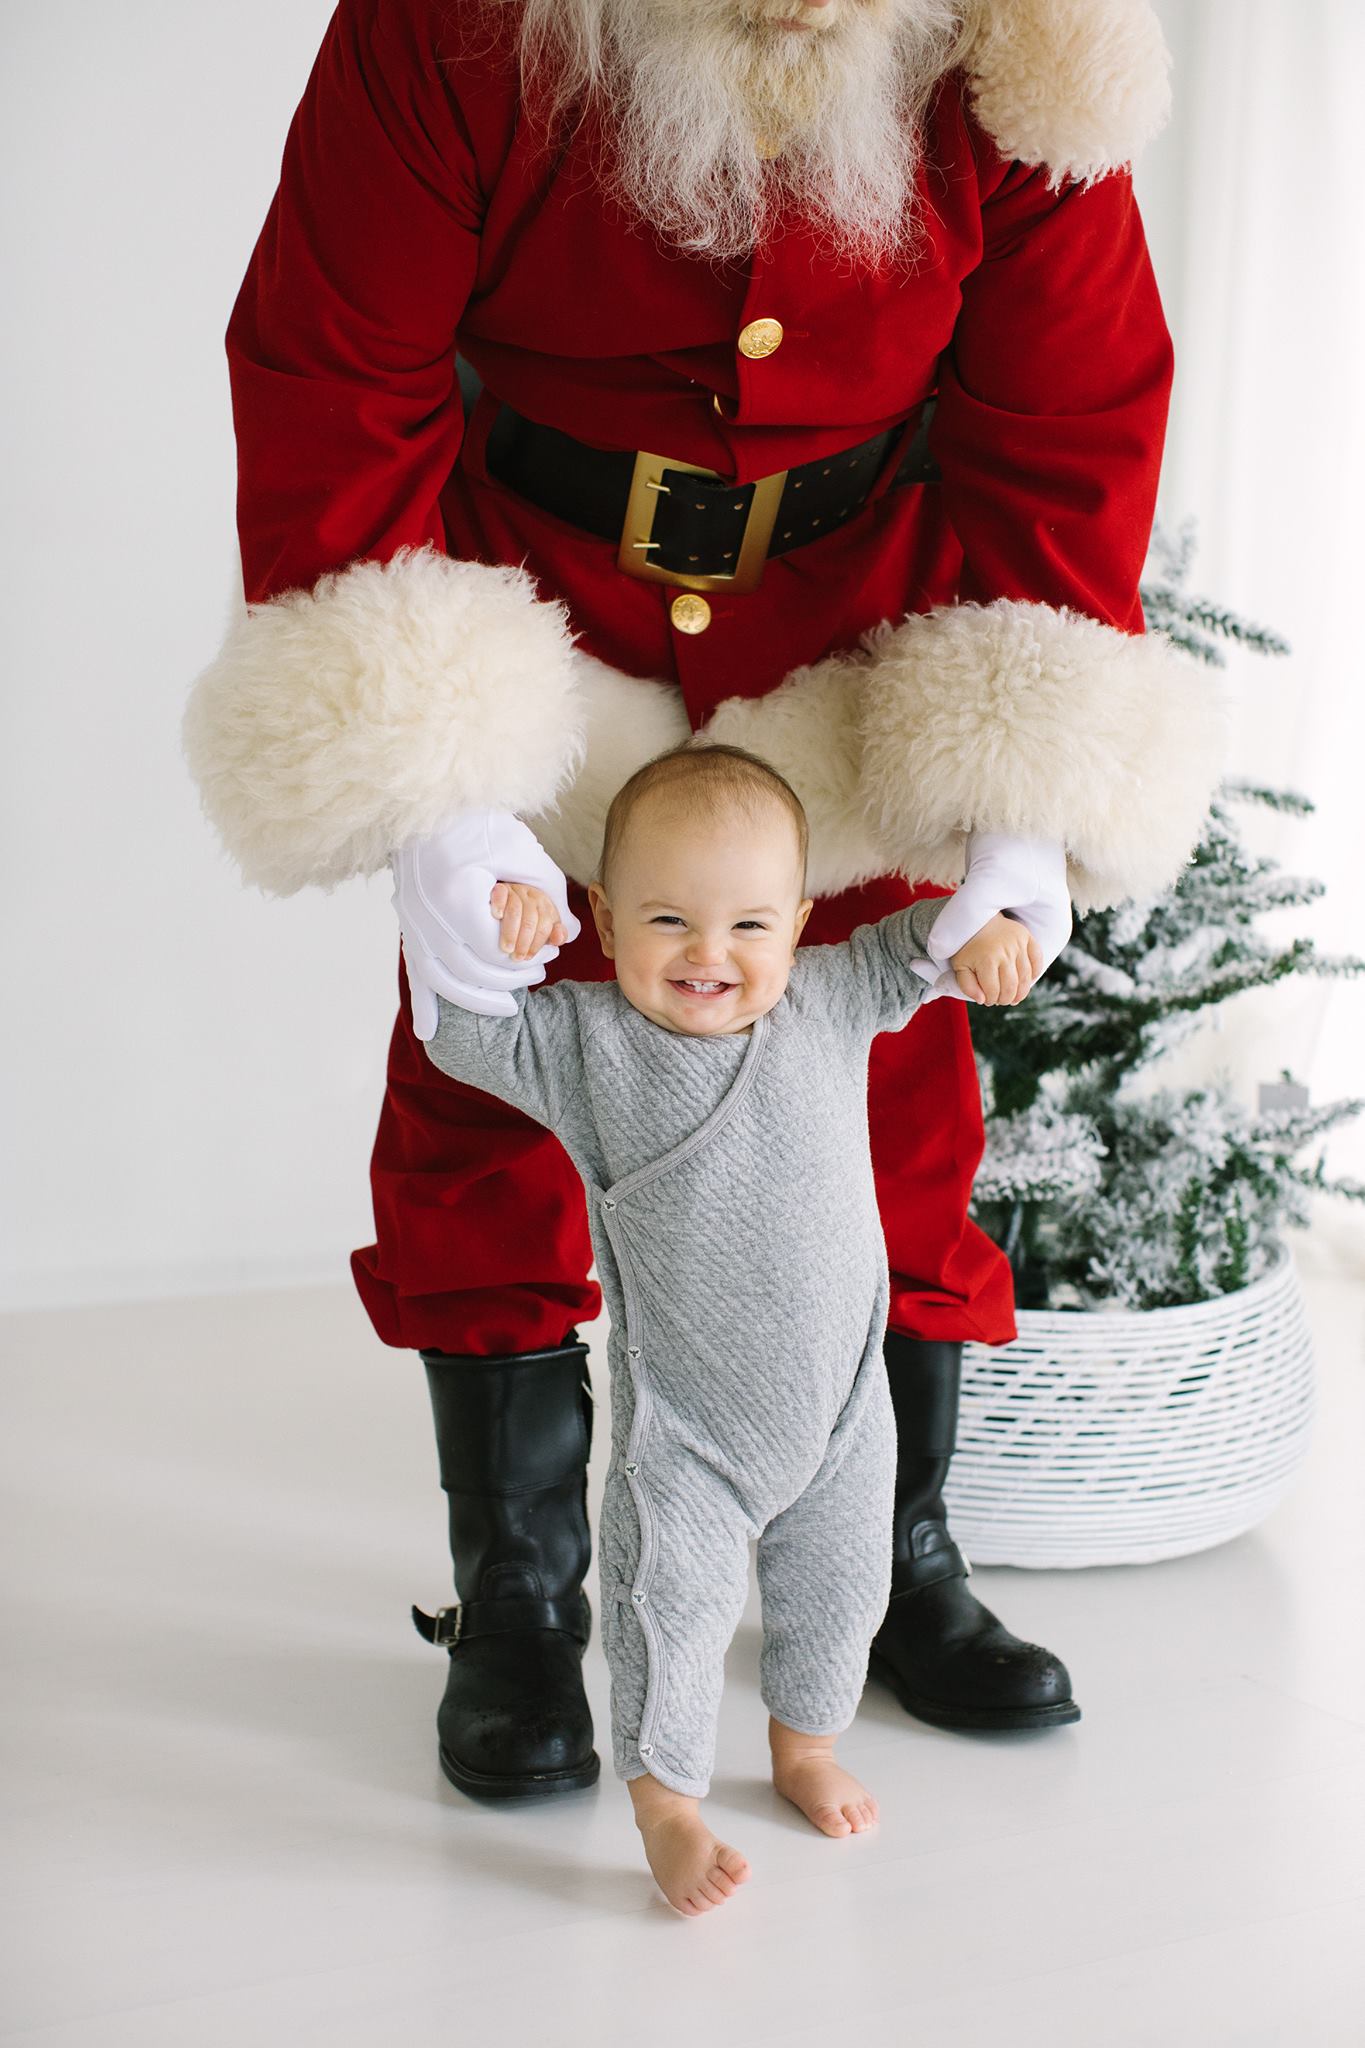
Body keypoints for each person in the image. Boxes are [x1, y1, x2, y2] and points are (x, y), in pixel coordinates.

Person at [183, 0, 1228, 1797]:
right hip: (538, 606)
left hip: (855, 620)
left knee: (891, 1091)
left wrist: (1029, 799)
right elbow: (331, 364)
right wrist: (440, 788)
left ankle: (898, 1556)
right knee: (486, 1079)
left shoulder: (1031, 46)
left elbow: (1070, 406)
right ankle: (519, 1597)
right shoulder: (446, 31)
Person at [410, 741, 1048, 1914]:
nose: (711, 954)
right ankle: (668, 1806)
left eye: (751, 925)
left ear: (799, 921)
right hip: (690, 1433)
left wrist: (988, 936)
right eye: (669, 920)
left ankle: (804, 1747)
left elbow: (918, 948)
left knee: (844, 1591)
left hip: (847, 1404)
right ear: (601, 916)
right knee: (675, 1606)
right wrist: (476, 915)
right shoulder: (587, 1038)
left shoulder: (828, 992)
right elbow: (461, 1030)